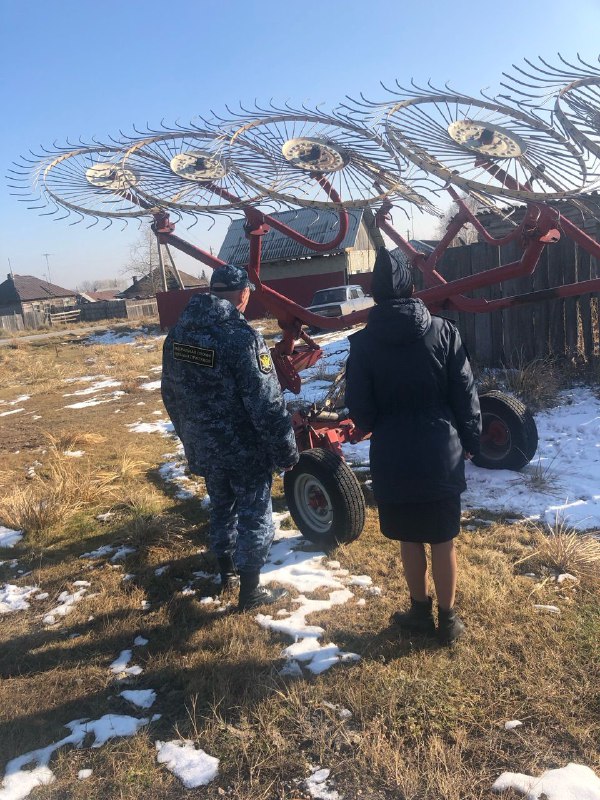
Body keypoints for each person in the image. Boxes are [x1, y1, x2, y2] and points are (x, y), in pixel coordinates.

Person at [345, 247, 481, 645]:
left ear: (376, 292)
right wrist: (471, 440)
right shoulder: (445, 331)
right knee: (443, 538)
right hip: (442, 451)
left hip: (393, 455)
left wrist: (379, 424)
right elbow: (465, 392)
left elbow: (362, 413)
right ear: (412, 287)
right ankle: (449, 621)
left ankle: (419, 611)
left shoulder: (363, 344)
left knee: (409, 537)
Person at [161, 264, 299, 610]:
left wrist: (191, 437)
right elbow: (265, 402)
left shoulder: (177, 337)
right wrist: (286, 452)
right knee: (254, 514)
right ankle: (250, 591)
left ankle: (227, 575)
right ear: (244, 295)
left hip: (206, 446)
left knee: (222, 508)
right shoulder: (242, 338)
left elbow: (170, 394)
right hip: (244, 449)